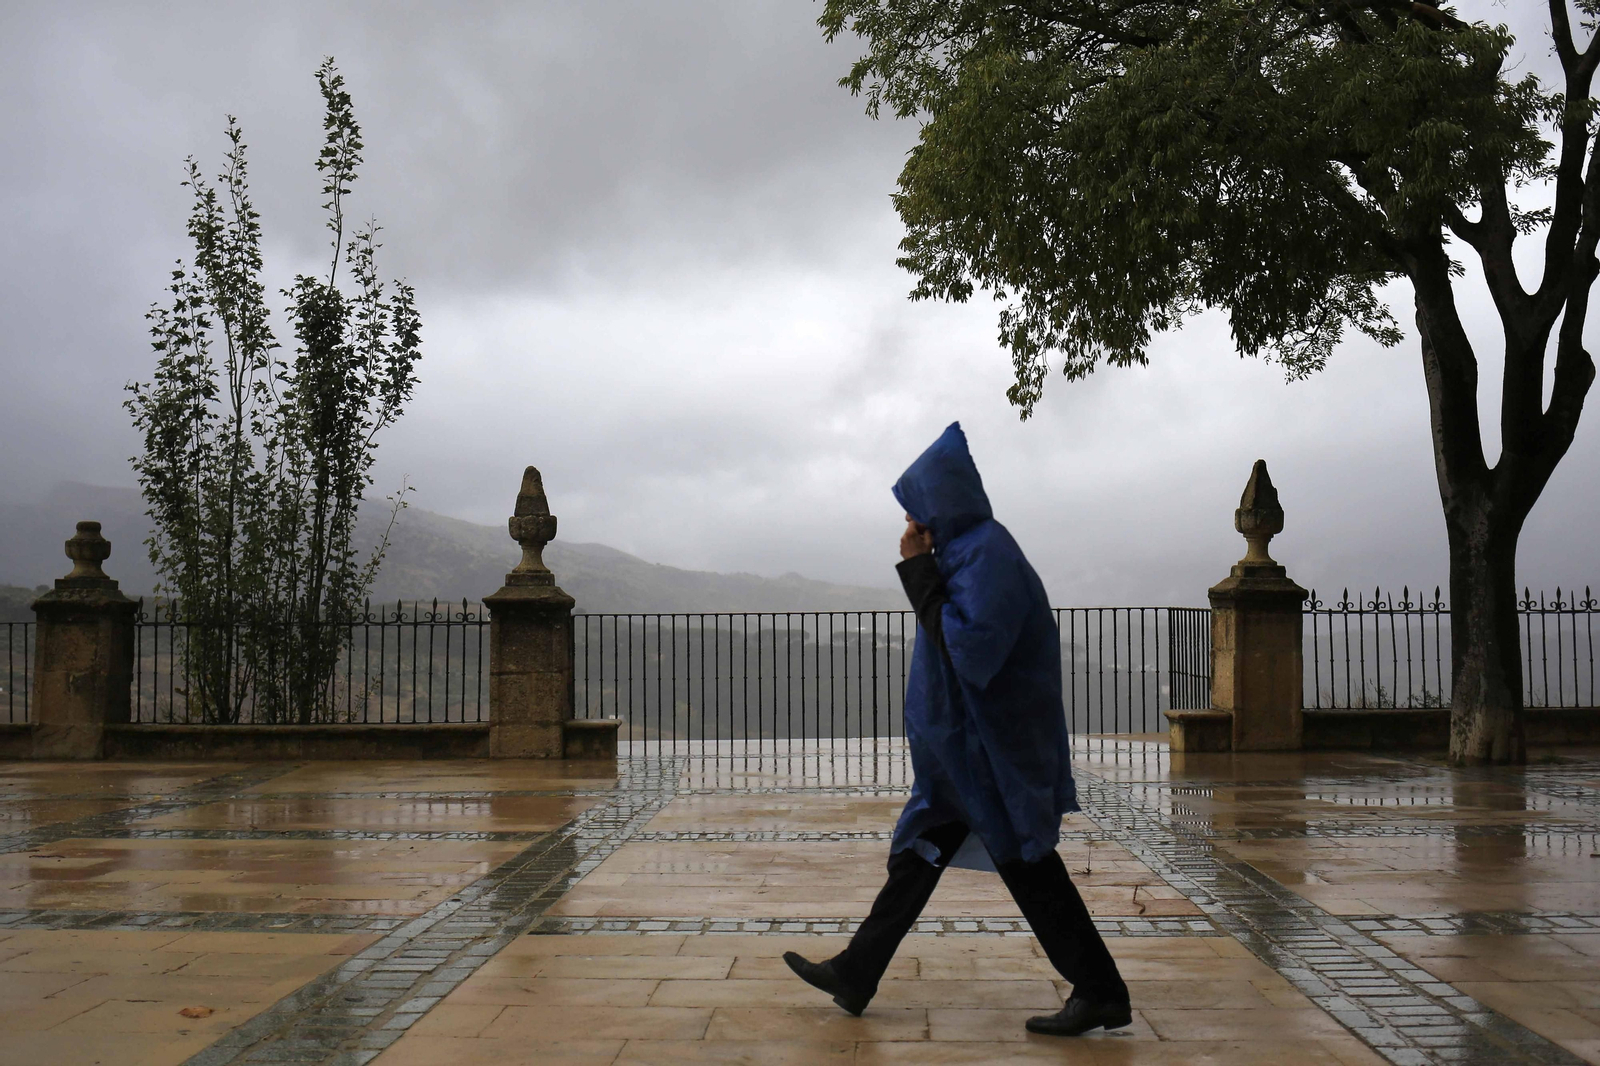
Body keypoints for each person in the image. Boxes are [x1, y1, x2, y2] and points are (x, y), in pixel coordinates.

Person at [783, 422, 1131, 1037]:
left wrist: (918, 570)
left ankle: (1101, 990)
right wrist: (926, 567)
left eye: (917, 508)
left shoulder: (986, 554)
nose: (911, 521)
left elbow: (970, 650)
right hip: (965, 753)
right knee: (921, 854)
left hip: (989, 751)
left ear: (940, 503)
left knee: (1027, 862)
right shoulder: (967, 551)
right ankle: (857, 972)